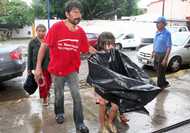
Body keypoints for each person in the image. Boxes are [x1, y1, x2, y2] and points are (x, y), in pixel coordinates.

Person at [34, 1, 95, 133]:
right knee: (59, 94)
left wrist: (102, 53)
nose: (78, 15)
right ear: (67, 14)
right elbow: (43, 46)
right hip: (56, 70)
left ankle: (80, 123)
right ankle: (59, 112)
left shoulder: (81, 32)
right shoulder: (57, 28)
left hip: (72, 70)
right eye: (75, 12)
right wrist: (38, 67)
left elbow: (86, 48)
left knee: (77, 96)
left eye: (80, 12)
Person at [92, 32, 129, 133]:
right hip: (101, 88)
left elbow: (122, 68)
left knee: (115, 107)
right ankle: (102, 125)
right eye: (107, 43)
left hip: (114, 86)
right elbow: (94, 75)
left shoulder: (115, 54)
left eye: (111, 43)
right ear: (101, 43)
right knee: (102, 106)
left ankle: (109, 121)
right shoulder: (95, 57)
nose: (109, 46)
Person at [27, 24, 51, 106]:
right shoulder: (32, 42)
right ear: (36, 31)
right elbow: (29, 56)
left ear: (46, 31)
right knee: (42, 83)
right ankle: (44, 98)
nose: (41, 32)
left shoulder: (49, 40)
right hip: (38, 66)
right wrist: (29, 69)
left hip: (49, 65)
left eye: (43, 31)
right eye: (39, 31)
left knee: (49, 81)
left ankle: (47, 91)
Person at [152, 16, 172, 89]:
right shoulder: (157, 32)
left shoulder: (167, 33)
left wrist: (165, 59)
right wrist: (153, 52)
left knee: (160, 71)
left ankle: (160, 86)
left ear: (163, 24)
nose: (156, 25)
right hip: (156, 54)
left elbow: (169, 47)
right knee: (158, 70)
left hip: (162, 55)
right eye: (156, 23)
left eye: (158, 23)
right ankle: (165, 83)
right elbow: (155, 43)